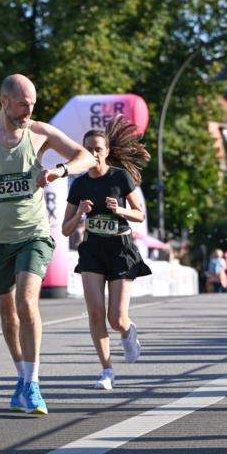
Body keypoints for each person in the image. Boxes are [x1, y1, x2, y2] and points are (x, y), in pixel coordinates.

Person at [0, 72, 94, 414]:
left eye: (33, 105)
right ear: (4, 102)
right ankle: (21, 377)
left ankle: (34, 384)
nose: (29, 111)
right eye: (23, 105)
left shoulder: (39, 132)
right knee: (8, 313)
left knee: (27, 303)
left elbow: (85, 156)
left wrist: (61, 171)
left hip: (33, 234)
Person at [61, 116, 151, 390]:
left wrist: (120, 210)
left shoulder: (119, 177)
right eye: (89, 149)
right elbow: (65, 230)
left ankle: (127, 330)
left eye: (98, 149)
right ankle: (106, 370)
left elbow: (139, 213)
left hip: (120, 249)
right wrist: (79, 214)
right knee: (96, 314)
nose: (94, 153)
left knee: (116, 318)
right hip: (92, 250)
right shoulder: (78, 184)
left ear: (107, 151)